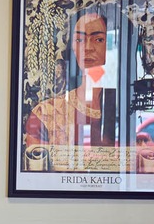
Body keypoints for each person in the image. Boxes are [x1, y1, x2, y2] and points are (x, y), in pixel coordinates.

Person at [24, 11, 117, 149]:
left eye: (98, 39)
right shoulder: (46, 113)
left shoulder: (127, 109)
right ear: (72, 48)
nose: (88, 48)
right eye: (79, 40)